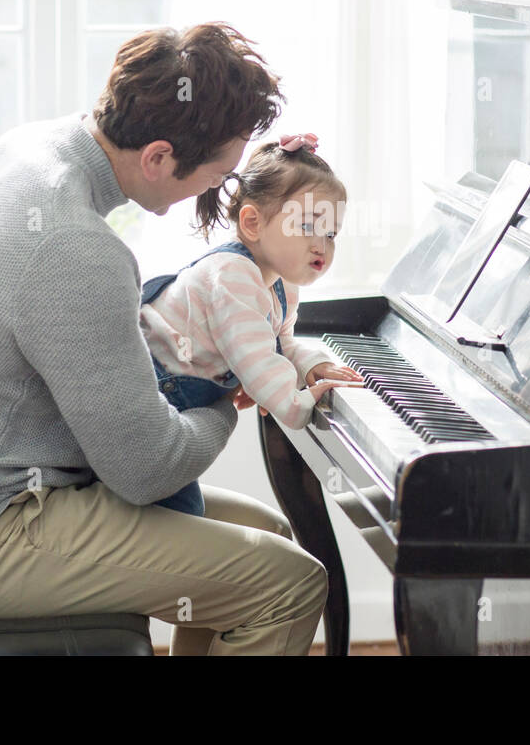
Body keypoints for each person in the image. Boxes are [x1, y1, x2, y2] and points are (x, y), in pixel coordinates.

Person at [0, 23, 330, 655]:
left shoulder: (28, 150)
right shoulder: (75, 246)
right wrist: (225, 391)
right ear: (158, 157)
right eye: (215, 175)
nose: (216, 192)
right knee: (288, 585)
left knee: (272, 537)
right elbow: (147, 471)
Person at [141, 132, 364, 517]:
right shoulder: (233, 275)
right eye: (307, 227)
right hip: (152, 404)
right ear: (252, 223)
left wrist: (312, 367)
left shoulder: (281, 282)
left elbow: (277, 344)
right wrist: (295, 401)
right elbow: (261, 365)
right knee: (183, 517)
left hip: (181, 399)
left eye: (331, 233)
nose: (321, 246)